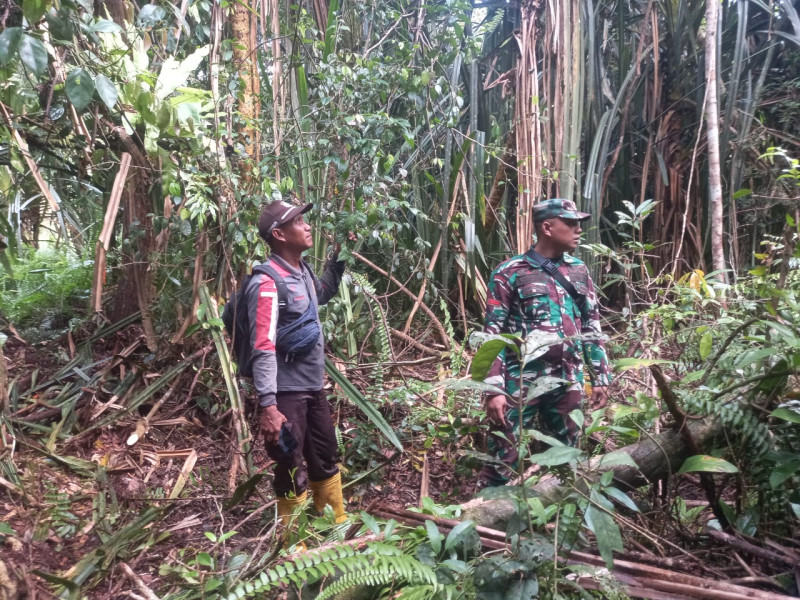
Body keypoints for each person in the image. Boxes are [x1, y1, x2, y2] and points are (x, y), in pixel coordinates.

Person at [479, 198, 612, 488]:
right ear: (548, 227)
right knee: (504, 457)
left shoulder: (579, 271)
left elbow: (591, 324)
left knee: (568, 455)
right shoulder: (510, 272)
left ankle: (562, 520)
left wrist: (600, 376)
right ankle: (488, 519)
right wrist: (493, 389)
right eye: (572, 223)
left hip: (567, 377)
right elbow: (493, 334)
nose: (579, 230)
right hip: (520, 379)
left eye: (580, 224)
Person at [246, 199, 347, 525]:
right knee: (289, 464)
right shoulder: (266, 282)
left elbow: (323, 291)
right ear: (279, 234)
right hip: (285, 393)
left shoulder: (301, 272)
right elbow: (262, 344)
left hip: (312, 386)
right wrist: (269, 405)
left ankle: (334, 526)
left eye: (306, 220)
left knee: (324, 453)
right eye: (299, 222)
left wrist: (340, 255)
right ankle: (293, 546)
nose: (307, 226)